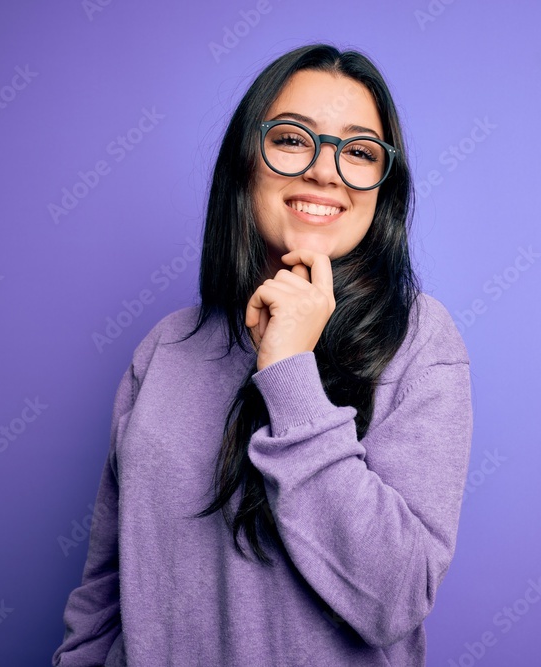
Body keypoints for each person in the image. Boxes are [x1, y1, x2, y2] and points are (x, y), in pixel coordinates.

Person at [52, 43, 474, 667]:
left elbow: (395, 597)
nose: (326, 172)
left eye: (359, 151)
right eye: (293, 139)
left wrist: (289, 374)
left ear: (384, 189)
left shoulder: (420, 342)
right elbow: (104, 592)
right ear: (246, 161)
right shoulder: (167, 347)